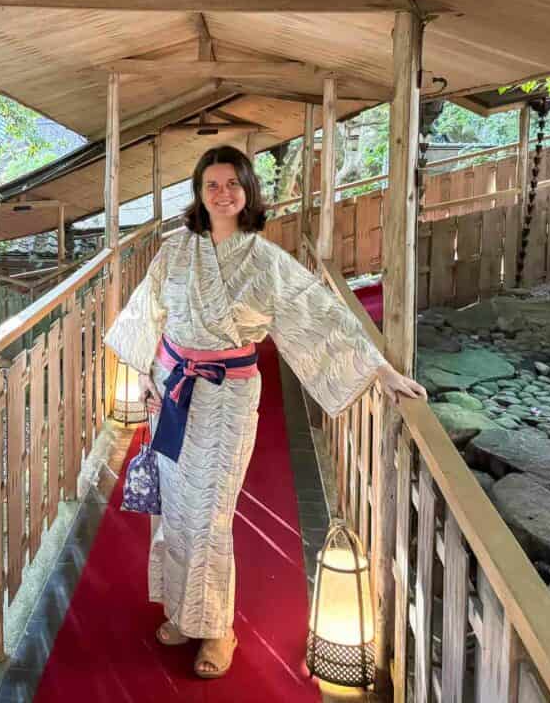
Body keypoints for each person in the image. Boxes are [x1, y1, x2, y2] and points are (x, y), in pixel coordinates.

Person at [104, 145, 426, 679]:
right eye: (212, 184)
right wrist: (141, 374)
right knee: (175, 506)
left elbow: (321, 316)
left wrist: (379, 371)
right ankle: (183, 613)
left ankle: (217, 627)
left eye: (233, 183)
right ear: (199, 193)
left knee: (210, 513)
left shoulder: (267, 261)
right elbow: (146, 309)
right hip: (171, 388)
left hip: (228, 396)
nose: (223, 193)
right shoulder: (175, 250)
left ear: (248, 191)